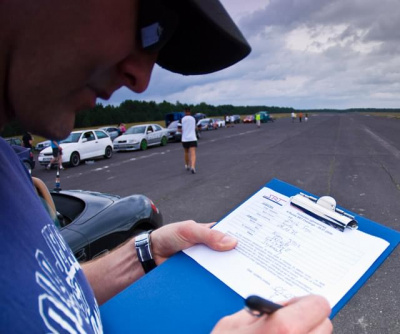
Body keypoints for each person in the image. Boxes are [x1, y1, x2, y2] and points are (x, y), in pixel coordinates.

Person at [0, 0, 332, 333]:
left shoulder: (8, 166)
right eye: (146, 23)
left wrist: (143, 255)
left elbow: (50, 295)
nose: (141, 79)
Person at [179, 107, 198, 174]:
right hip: (192, 138)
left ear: (185, 112)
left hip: (185, 138)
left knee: (186, 152)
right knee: (193, 153)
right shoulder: (194, 118)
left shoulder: (181, 119)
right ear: (190, 112)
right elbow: (196, 127)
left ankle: (187, 165)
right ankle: (193, 166)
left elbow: (179, 129)